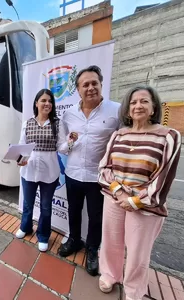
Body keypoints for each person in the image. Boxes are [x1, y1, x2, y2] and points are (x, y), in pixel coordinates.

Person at [97, 85, 181, 300]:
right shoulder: (118, 135)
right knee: (111, 241)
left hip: (145, 205)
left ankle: (134, 290)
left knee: (138, 252)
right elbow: (105, 168)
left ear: (153, 108)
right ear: (127, 110)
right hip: (115, 198)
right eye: (133, 102)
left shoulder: (168, 136)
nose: (138, 106)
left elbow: (164, 178)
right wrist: (119, 193)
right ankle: (110, 275)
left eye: (144, 101)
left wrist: (135, 200)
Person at [57, 65, 120, 276]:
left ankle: (92, 250)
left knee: (96, 217)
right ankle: (74, 240)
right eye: (85, 84)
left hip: (98, 177)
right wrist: (70, 142)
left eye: (95, 83)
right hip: (73, 174)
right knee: (73, 211)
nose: (91, 88)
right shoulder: (68, 114)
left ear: (101, 84)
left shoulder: (116, 111)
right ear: (78, 89)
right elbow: (62, 147)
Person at [15, 88, 62, 252]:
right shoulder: (27, 123)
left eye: (50, 101)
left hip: (50, 172)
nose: (47, 103)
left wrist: (70, 143)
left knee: (46, 206)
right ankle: (25, 227)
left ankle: (43, 235)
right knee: (27, 204)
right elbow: (22, 147)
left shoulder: (57, 124)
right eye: (43, 100)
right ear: (36, 103)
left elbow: (62, 147)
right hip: (29, 171)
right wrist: (20, 159)